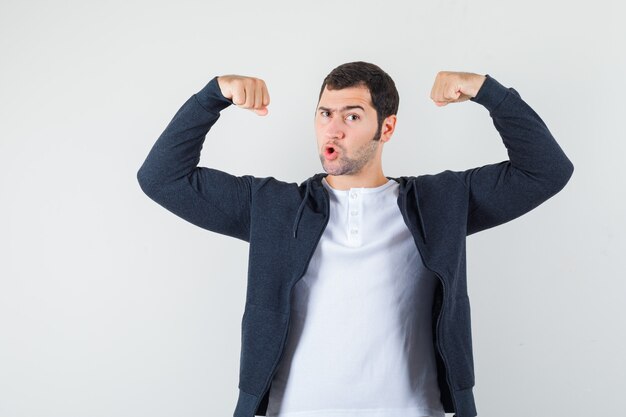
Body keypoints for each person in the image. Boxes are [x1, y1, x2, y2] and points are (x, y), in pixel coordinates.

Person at [137, 61, 574, 417]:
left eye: (352, 116)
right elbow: (162, 179)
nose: (334, 129)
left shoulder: (440, 205)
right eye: (325, 114)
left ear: (386, 129)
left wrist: (486, 90)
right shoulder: (272, 208)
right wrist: (212, 96)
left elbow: (546, 170)